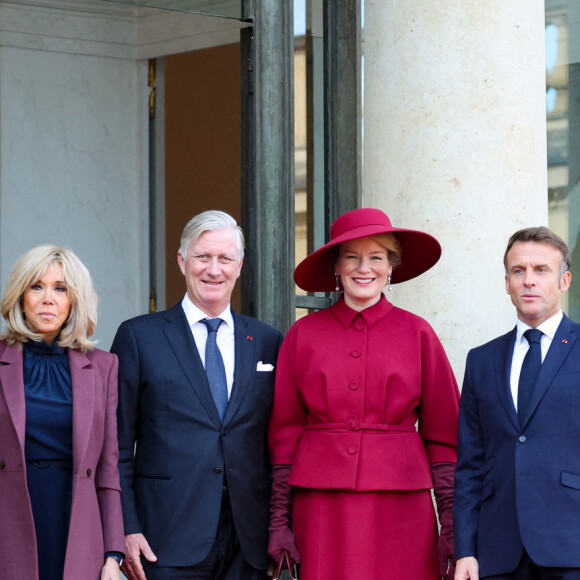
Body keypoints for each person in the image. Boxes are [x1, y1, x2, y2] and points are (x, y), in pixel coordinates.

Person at [268, 207, 460, 580]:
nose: (364, 268)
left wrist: (452, 527)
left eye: (377, 257)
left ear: (391, 267)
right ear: (336, 268)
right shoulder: (302, 336)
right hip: (322, 506)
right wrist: (278, 521)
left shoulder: (418, 333)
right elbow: (284, 436)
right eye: (352, 257)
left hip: (403, 508)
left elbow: (444, 438)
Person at [112, 210, 283, 580]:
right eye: (203, 257)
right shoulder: (139, 337)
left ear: (239, 266)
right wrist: (125, 526)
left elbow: (278, 441)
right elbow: (117, 445)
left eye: (225, 259)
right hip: (165, 538)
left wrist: (277, 529)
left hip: (248, 541)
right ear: (181, 260)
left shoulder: (267, 341)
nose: (214, 269)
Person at [454, 226, 580, 580]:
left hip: (571, 547)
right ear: (507, 282)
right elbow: (469, 465)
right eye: (518, 271)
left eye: (541, 270)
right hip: (499, 552)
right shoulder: (481, 360)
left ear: (564, 280)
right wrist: (465, 548)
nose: (529, 281)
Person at [0, 245, 125, 580]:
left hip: (77, 521)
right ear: (20, 296)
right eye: (36, 286)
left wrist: (113, 554)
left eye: (60, 289)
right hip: (8, 518)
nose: (47, 298)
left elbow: (108, 468)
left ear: (74, 300)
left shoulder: (103, 367)